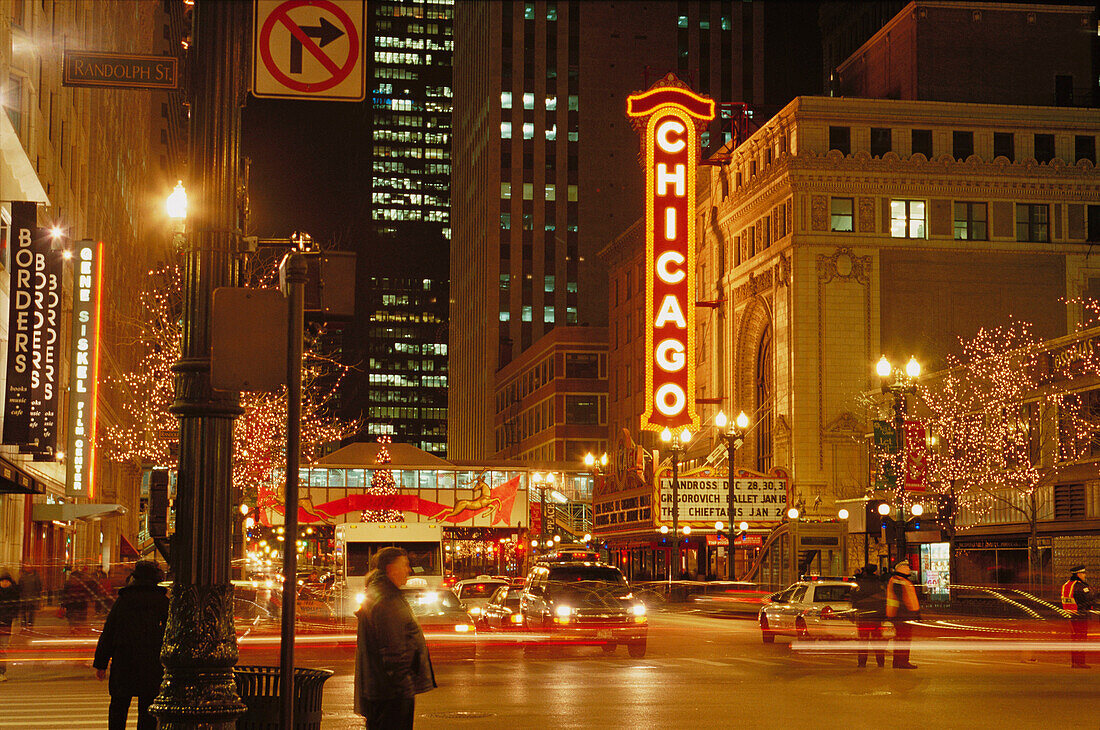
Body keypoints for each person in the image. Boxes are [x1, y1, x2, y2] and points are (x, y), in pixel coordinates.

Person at [355, 546, 436, 730]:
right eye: (405, 565)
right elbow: (392, 648)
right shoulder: (387, 598)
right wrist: (402, 684)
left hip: (383, 689)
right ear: (391, 569)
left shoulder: (382, 592)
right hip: (391, 692)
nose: (409, 570)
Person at [93, 561, 169, 730]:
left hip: (124, 660)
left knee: (119, 706)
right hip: (151, 662)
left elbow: (109, 632)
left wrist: (101, 664)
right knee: (148, 707)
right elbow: (170, 634)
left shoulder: (123, 601)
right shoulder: (162, 602)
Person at [885, 560, 920, 669]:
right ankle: (902, 661)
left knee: (902, 638)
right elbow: (901, 599)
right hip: (902, 615)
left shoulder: (901, 580)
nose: (909, 569)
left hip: (902, 614)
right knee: (903, 639)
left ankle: (899, 661)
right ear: (901, 569)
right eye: (907, 567)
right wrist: (910, 613)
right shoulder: (898, 580)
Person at [851, 564, 885, 668]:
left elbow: (854, 599)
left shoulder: (860, 584)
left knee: (863, 641)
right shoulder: (879, 583)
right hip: (876, 616)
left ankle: (862, 662)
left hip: (863, 616)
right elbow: (883, 600)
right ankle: (880, 662)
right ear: (875, 571)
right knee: (877, 641)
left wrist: (854, 613)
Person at [1061, 564, 1094, 669]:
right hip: (1081, 616)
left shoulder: (1067, 585)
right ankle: (1080, 662)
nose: (1085, 575)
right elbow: (1089, 599)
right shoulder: (1081, 586)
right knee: (1081, 639)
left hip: (1071, 615)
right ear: (1078, 574)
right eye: (1083, 573)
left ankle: (1074, 662)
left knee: (1075, 638)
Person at [0, 571, 19, 681]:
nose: (4, 583)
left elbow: (15, 609)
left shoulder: (13, 593)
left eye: (6, 581)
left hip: (6, 625)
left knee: (2, 649)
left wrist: (10, 617)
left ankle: (1, 672)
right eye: (2, 581)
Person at [19, 565, 41, 630]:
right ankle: (24, 625)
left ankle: (30, 624)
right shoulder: (22, 577)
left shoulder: (36, 577)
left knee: (31, 613)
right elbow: (20, 588)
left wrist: (37, 598)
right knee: (24, 613)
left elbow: (39, 588)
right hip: (24, 598)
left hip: (32, 599)